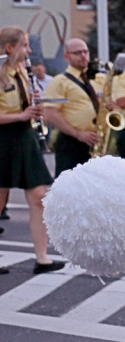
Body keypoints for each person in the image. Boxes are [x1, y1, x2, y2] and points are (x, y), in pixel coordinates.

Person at [0, 27, 65, 275]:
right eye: (25, 46)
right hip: (3, 138)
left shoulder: (22, 72)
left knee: (39, 196)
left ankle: (42, 257)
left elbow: (25, 106)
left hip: (24, 137)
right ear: (9, 48)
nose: (29, 51)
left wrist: (33, 105)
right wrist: (20, 114)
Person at [42, 38, 105, 176]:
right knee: (69, 188)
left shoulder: (99, 79)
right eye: (77, 53)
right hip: (72, 142)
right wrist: (78, 134)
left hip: (97, 141)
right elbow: (50, 113)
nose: (83, 55)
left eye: (85, 51)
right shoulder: (59, 81)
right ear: (66, 56)